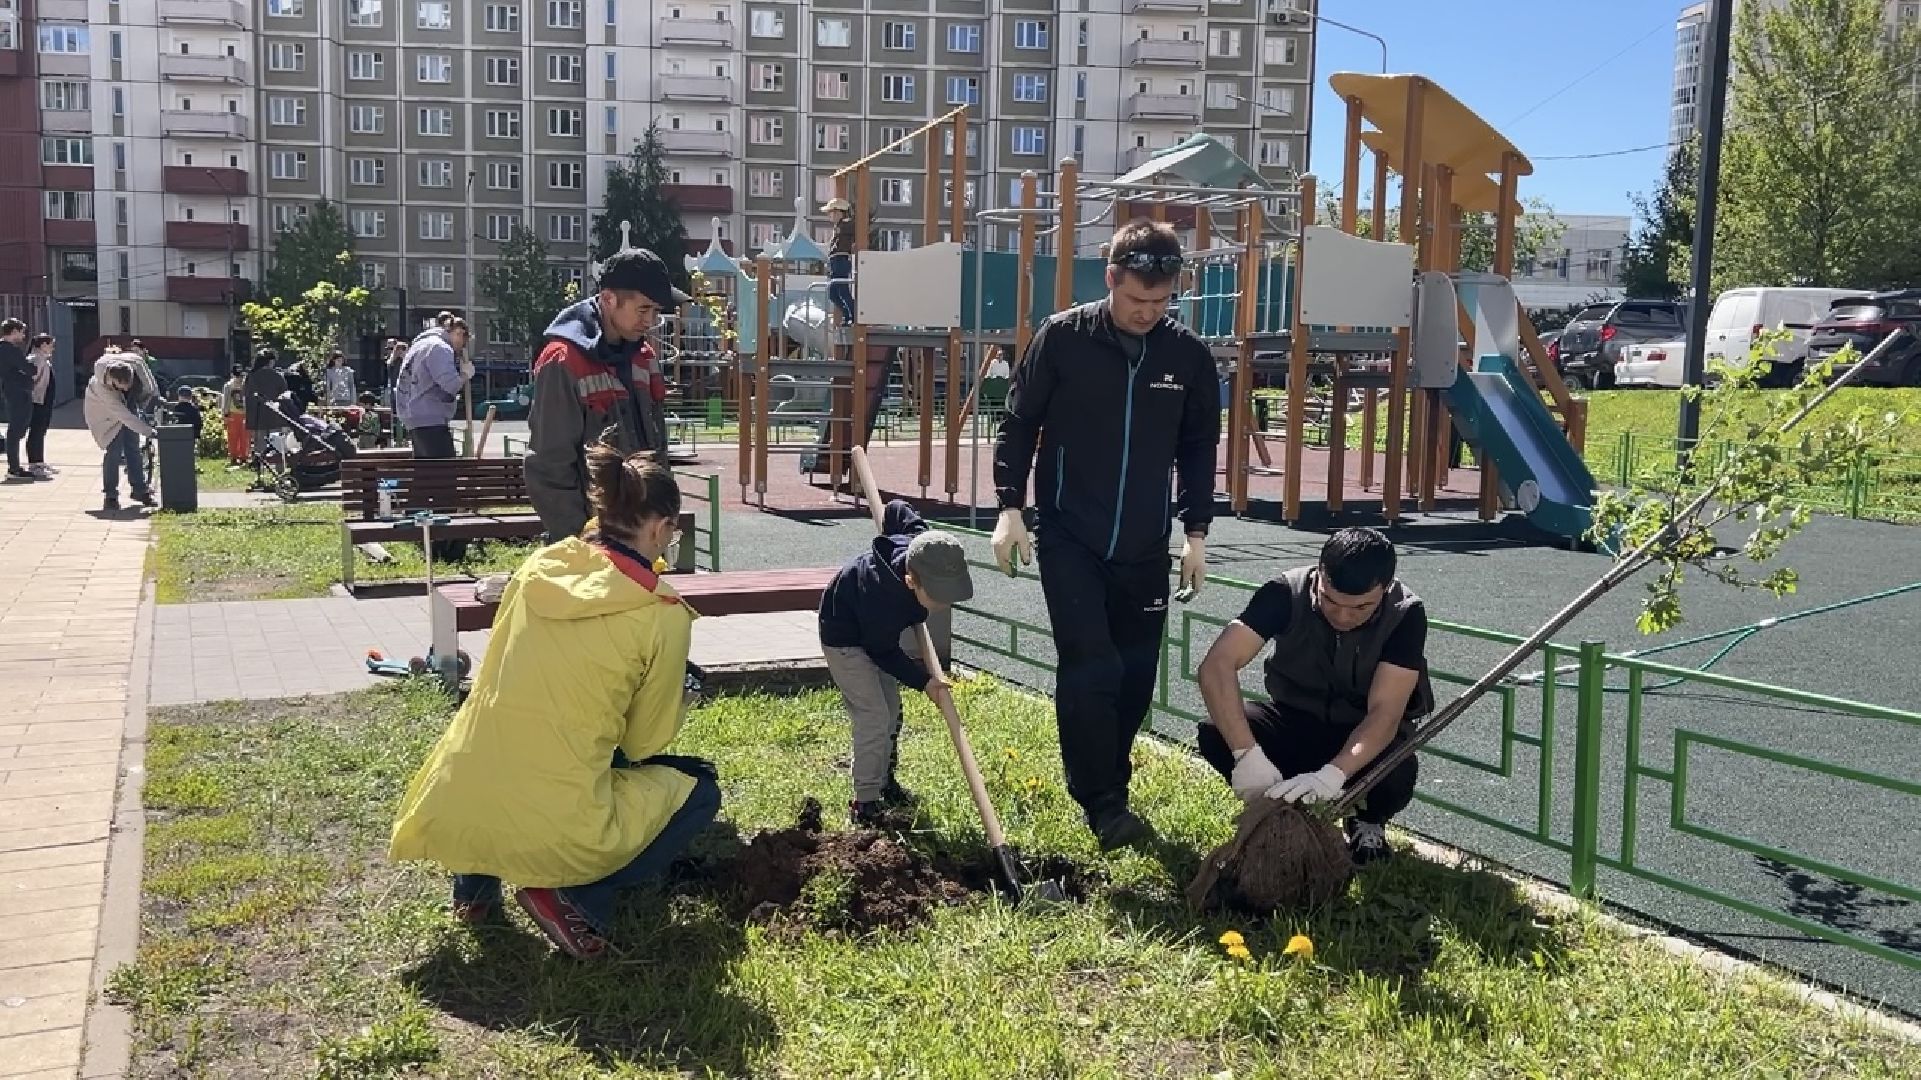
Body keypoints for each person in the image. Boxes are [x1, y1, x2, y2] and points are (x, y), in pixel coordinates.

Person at [390, 447, 715, 961]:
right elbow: (642, 741)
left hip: (463, 792)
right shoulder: (661, 613)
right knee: (699, 790)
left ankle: (474, 893)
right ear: (660, 529)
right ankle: (575, 895)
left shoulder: (540, 565)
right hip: (559, 816)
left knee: (505, 745)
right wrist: (681, 697)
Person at [989, 219, 1222, 851]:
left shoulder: (1188, 357)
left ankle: (1105, 777)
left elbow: (1200, 448)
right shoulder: (1063, 338)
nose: (1147, 312)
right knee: (1090, 664)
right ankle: (1103, 801)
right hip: (1070, 534)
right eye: (1134, 298)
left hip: (1144, 545)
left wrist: (1196, 531)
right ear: (1111, 277)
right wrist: (1010, 506)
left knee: (1136, 675)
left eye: (1160, 300)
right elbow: (1018, 421)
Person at [1194, 527, 1435, 865]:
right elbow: (1216, 665)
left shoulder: (1406, 613)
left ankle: (1366, 821)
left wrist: (1333, 774)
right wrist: (1246, 754)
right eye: (1329, 600)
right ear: (1319, 572)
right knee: (1215, 731)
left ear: (1386, 588)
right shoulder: (1283, 592)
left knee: (1397, 768)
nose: (1342, 616)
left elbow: (1385, 713)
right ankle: (1277, 810)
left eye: (1361, 608)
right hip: (1293, 720)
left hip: (1359, 733)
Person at [818, 500, 974, 824]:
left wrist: (889, 515)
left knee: (892, 710)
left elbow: (898, 510)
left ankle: (885, 780)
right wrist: (924, 681)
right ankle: (865, 801)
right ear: (910, 581)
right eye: (939, 597)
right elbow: (882, 651)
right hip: (846, 638)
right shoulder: (883, 599)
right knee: (874, 717)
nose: (945, 604)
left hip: (875, 634)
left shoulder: (923, 548)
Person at [525, 249, 689, 542]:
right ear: (609, 299)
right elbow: (549, 466)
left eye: (656, 311)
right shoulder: (562, 361)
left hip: (643, 537)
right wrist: (579, 539)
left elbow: (658, 448)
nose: (650, 321)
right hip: (590, 540)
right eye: (643, 309)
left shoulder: (643, 356)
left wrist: (663, 518)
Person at [395, 313, 471, 460]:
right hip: (430, 418)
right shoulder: (440, 348)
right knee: (444, 475)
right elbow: (450, 384)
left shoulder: (419, 345)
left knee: (427, 476)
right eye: (464, 340)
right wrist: (465, 375)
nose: (461, 347)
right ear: (458, 332)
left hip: (413, 415)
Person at [86, 359, 157, 511]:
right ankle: (110, 495)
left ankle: (140, 490)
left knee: (133, 449)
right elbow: (123, 415)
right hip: (106, 415)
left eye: (128, 385)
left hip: (127, 403)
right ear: (112, 380)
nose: (126, 388)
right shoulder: (101, 387)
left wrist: (141, 406)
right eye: (123, 386)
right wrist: (149, 431)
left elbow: (150, 388)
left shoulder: (135, 365)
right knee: (114, 451)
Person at [0, 319, 35, 480]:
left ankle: (14, 467)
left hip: (12, 391)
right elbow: (28, 369)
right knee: (16, 430)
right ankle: (14, 468)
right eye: (21, 332)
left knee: (16, 429)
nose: (23, 335)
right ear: (13, 332)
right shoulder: (10, 350)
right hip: (17, 392)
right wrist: (32, 368)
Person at [243, 348, 289, 458]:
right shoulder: (278, 376)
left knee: (260, 445)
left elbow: (249, 399)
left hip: (259, 417)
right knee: (277, 445)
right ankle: (279, 467)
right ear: (270, 361)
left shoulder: (252, 377)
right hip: (275, 416)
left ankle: (260, 467)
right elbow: (284, 397)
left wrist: (251, 422)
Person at [24, 333, 56, 480]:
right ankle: (34, 463)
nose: (52, 348)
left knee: (41, 430)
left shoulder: (43, 359)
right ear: (43, 345)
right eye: (50, 345)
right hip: (37, 400)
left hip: (43, 400)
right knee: (36, 431)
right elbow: (30, 380)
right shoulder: (35, 359)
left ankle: (39, 461)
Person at [823, 197, 856, 324]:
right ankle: (848, 315)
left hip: (841, 259)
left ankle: (852, 316)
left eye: (830, 212)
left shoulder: (846, 224)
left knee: (842, 290)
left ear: (838, 212)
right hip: (835, 260)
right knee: (833, 293)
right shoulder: (839, 226)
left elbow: (853, 225)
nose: (829, 216)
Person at [221, 364, 249, 465]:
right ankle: (233, 456)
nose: (239, 378)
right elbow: (226, 400)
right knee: (232, 436)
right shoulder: (228, 386)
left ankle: (244, 456)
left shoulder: (247, 385)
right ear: (233, 375)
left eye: (241, 376)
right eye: (237, 376)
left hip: (245, 414)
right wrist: (225, 414)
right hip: (233, 413)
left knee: (244, 436)